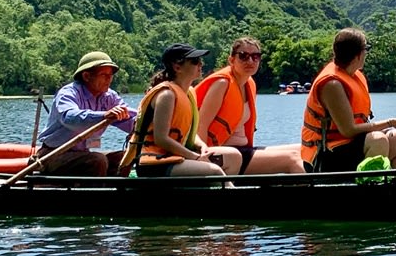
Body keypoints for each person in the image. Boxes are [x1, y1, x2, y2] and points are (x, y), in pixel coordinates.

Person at [301, 27, 396, 173]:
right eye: (366, 49)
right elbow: (348, 130)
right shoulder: (332, 84)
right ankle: (368, 190)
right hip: (323, 156)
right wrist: (391, 123)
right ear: (358, 55)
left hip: (348, 147)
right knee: (377, 140)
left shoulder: (353, 75)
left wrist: (394, 127)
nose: (366, 54)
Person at [125, 44, 239, 177]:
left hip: (175, 156)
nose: (200, 64)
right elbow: (161, 139)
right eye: (195, 61)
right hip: (154, 163)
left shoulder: (188, 92)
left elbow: (189, 132)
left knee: (234, 157)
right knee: (214, 171)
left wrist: (202, 146)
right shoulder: (167, 95)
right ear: (177, 67)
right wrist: (194, 157)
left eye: (200, 61)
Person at [195, 37, 303, 175]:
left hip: (244, 150)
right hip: (226, 154)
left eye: (255, 56)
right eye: (243, 56)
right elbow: (201, 125)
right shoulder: (222, 83)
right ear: (231, 60)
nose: (250, 61)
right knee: (292, 159)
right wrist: (203, 160)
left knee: (303, 150)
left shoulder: (249, 83)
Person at [37, 51, 135, 176]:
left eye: (110, 75)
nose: (109, 79)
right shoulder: (68, 93)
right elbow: (70, 118)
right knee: (97, 160)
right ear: (87, 76)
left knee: (125, 157)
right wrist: (104, 115)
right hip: (53, 154)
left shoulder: (109, 96)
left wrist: (151, 124)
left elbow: (130, 117)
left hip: (83, 154)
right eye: (104, 75)